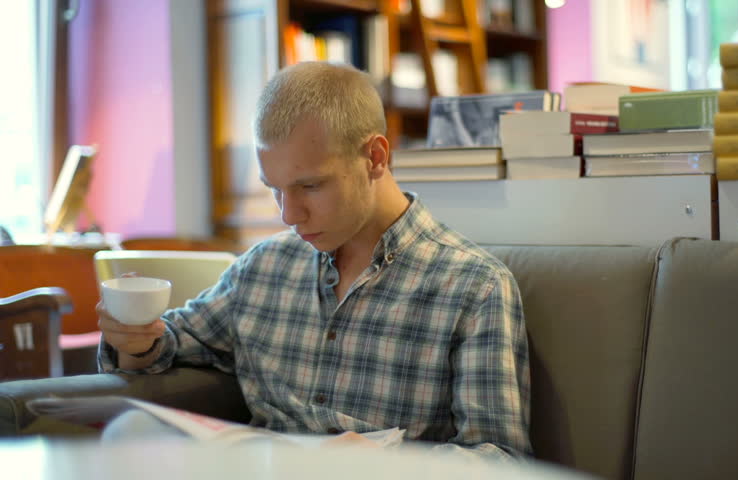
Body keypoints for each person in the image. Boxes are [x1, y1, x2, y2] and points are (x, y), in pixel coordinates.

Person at [97, 62, 531, 461]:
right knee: (131, 430)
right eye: (275, 189)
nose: (289, 215)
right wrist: (136, 337)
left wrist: (386, 465)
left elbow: (501, 458)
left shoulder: (474, 285)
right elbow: (171, 342)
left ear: (375, 157)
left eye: (310, 186)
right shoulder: (264, 267)